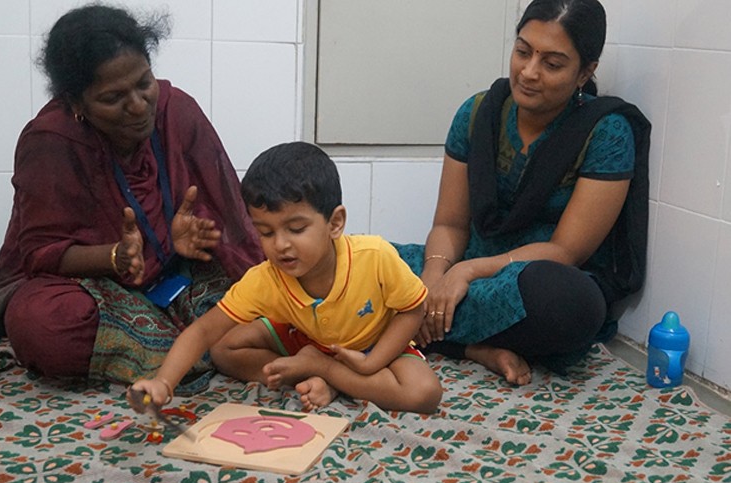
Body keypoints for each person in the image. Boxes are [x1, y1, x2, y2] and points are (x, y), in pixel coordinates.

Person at [0, 4, 263, 392]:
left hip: (179, 277)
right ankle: (204, 348)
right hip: (94, 287)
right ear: (77, 104)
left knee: (254, 297)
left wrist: (184, 239)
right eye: (113, 97)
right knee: (41, 321)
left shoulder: (177, 110)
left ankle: (197, 345)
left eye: (144, 83)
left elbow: (234, 224)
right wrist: (114, 256)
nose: (137, 104)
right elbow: (39, 254)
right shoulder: (50, 142)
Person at [395, 0, 650, 385]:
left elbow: (566, 251)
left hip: (529, 282)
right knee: (352, 264)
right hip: (461, 264)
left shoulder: (606, 132)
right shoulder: (478, 112)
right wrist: (433, 279)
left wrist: (467, 272)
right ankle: (468, 346)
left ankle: (410, 326)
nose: (529, 72)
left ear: (585, 72)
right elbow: (449, 223)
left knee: (572, 305)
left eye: (552, 63)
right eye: (522, 52)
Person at [130, 142, 442, 413]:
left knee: (424, 393)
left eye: (296, 229)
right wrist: (163, 382)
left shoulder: (375, 256)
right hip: (309, 340)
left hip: (377, 344)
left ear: (335, 223)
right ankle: (315, 372)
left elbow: (413, 309)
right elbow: (203, 332)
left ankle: (323, 372)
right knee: (224, 349)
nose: (280, 245)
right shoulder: (266, 278)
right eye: (265, 232)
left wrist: (370, 363)